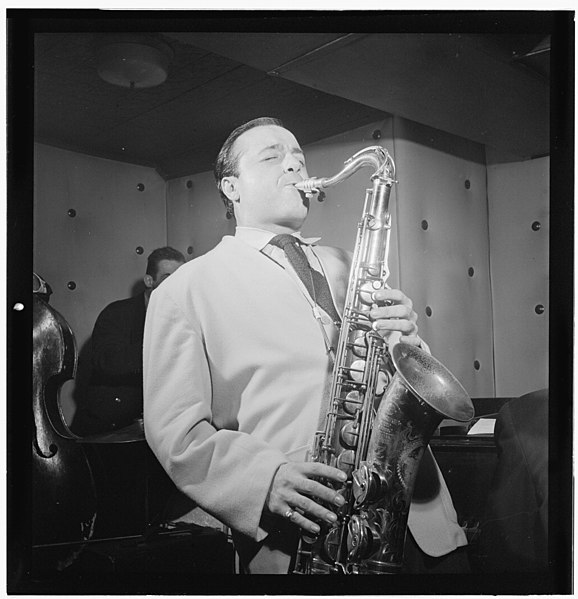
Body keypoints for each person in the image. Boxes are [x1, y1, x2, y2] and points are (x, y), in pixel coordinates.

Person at [143, 117, 468, 574]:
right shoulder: (184, 289)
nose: (295, 163)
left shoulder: (351, 263)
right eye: (273, 156)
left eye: (298, 155)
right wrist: (264, 480)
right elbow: (176, 433)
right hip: (306, 535)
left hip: (420, 521)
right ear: (231, 187)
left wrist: (408, 338)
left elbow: (405, 381)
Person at [73, 246, 185, 436]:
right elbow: (108, 362)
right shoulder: (116, 313)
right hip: (110, 429)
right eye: (168, 278)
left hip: (158, 428)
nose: (178, 284)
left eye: (181, 278)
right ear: (149, 280)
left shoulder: (184, 317)